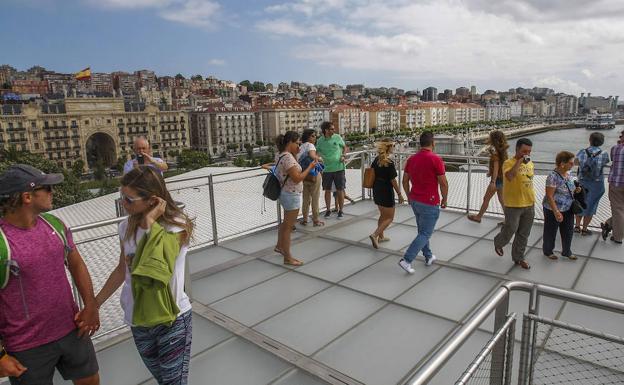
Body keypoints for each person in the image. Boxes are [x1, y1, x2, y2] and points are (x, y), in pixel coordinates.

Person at [0, 164, 100, 385]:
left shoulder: (55, 225)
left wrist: (91, 306)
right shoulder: (2, 242)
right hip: (27, 347)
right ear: (27, 196)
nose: (52, 193)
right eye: (47, 189)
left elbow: (76, 264)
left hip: (72, 330)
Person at [94, 167, 194, 384]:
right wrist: (95, 303)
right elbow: (122, 269)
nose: (123, 203)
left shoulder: (176, 227)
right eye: (121, 197)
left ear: (152, 200)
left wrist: (149, 224)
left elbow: (157, 269)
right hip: (138, 319)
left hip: (172, 319)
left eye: (129, 199)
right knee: (163, 379)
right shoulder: (125, 228)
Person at [263, 131, 317, 266]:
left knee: (285, 224)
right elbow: (297, 178)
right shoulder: (287, 158)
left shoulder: (281, 155)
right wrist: (310, 166)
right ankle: (288, 257)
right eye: (297, 143)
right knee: (288, 227)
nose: (299, 146)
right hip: (291, 194)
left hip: (285, 193)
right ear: (290, 143)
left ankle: (279, 246)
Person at [398, 131, 448, 273]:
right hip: (430, 202)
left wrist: (409, 195)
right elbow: (443, 183)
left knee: (422, 231)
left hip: (415, 200)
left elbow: (404, 180)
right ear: (433, 143)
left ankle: (428, 256)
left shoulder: (412, 159)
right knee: (425, 233)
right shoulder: (435, 159)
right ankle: (407, 260)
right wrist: (444, 198)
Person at [493, 138, 535, 269]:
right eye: (524, 151)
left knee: (524, 233)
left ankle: (518, 258)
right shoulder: (508, 163)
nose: (527, 154)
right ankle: (498, 242)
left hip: (529, 203)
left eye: (529, 151)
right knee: (511, 229)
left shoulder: (530, 164)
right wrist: (519, 162)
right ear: (517, 149)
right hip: (513, 204)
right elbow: (510, 177)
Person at [542, 151, 580, 260]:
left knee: (568, 231)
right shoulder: (552, 176)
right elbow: (549, 196)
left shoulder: (569, 173)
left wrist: (577, 189)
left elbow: (570, 187)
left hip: (568, 208)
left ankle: (567, 251)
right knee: (551, 231)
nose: (573, 165)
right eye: (571, 163)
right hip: (553, 208)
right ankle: (548, 251)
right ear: (562, 163)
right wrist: (556, 211)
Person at [369, 139, 404, 249]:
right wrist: (399, 194)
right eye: (393, 145)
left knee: (383, 215)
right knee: (389, 217)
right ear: (389, 148)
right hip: (386, 191)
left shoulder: (376, 160)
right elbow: (393, 180)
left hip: (377, 189)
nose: (394, 147)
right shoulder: (389, 163)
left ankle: (381, 236)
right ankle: (375, 235)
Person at [574, 132, 610, 235]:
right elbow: (605, 163)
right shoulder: (604, 154)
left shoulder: (582, 152)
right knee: (591, 206)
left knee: (580, 203)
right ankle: (585, 229)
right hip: (597, 183)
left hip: (582, 182)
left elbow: (576, 163)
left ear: (590, 140)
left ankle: (577, 226)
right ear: (601, 142)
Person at [468, 130, 508, 223]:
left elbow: (496, 166)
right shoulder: (503, 150)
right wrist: (491, 172)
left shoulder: (494, 151)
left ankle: (478, 217)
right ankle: (508, 219)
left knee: (486, 198)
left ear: (493, 139)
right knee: (502, 200)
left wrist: (492, 181)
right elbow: (501, 165)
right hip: (502, 178)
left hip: (497, 179)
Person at [316, 122, 348, 219]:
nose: (334, 130)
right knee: (327, 190)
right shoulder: (320, 141)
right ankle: (328, 210)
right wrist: (318, 160)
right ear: (326, 130)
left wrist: (343, 156)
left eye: (333, 129)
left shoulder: (337, 137)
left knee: (340, 190)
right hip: (326, 169)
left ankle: (341, 211)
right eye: (331, 129)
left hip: (339, 168)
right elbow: (316, 152)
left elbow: (344, 148)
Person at [601, 130, 624, 244]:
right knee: (620, 210)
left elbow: (613, 159)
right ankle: (608, 225)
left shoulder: (616, 148)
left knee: (618, 209)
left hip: (617, 183)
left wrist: (619, 143)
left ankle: (617, 236)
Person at [298, 129, 324, 227]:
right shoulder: (310, 145)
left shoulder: (300, 147)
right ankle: (316, 220)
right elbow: (313, 156)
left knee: (305, 198)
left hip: (304, 175)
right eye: (313, 136)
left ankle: (305, 219)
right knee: (315, 198)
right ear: (308, 137)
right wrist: (320, 159)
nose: (315, 137)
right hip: (313, 174)